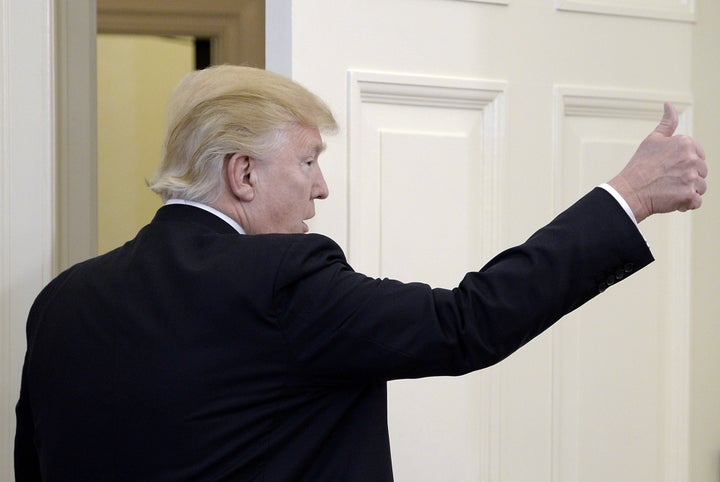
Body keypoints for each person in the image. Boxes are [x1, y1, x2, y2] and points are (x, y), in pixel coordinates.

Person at [14, 65, 707, 481]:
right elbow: (466, 322)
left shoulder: (63, 302)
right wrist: (632, 196)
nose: (322, 190)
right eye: (310, 160)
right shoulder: (281, 280)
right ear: (243, 173)